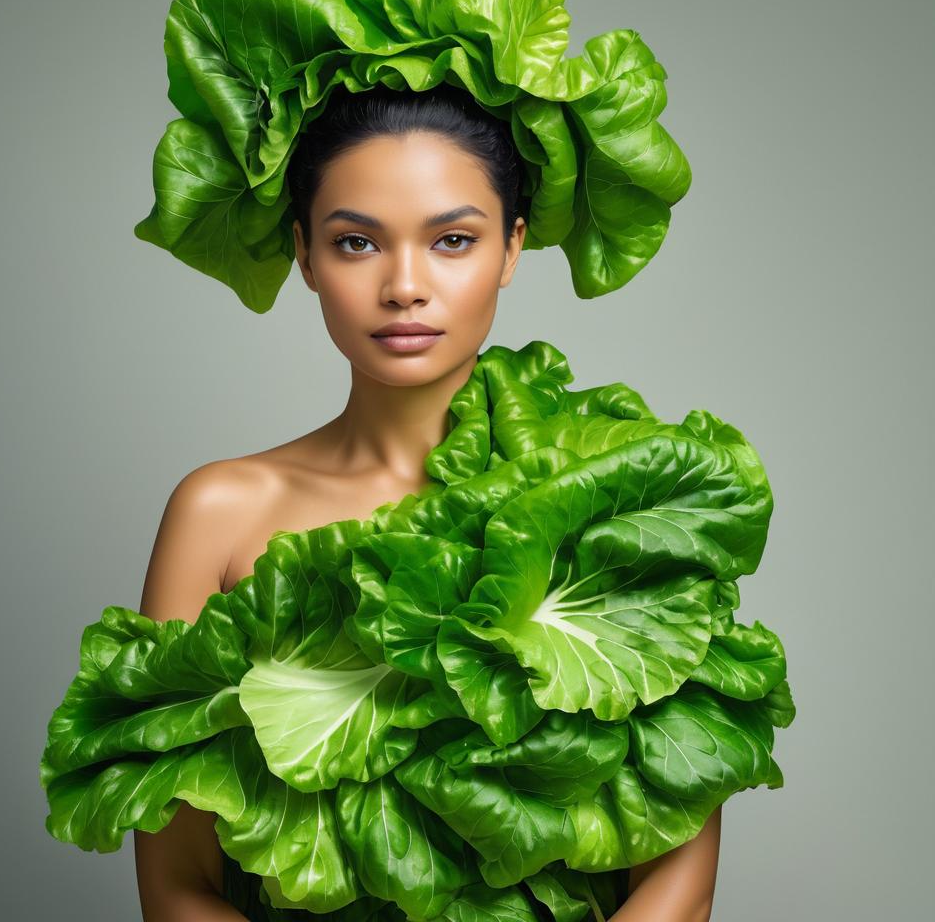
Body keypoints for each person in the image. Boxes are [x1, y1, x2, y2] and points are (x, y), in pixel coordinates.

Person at [132, 82, 722, 922]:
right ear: (304, 254)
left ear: (512, 249)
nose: (405, 286)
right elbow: (176, 881)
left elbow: (679, 862)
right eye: (356, 243)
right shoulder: (218, 512)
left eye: (452, 239)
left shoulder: (621, 497)